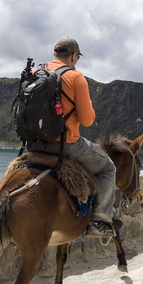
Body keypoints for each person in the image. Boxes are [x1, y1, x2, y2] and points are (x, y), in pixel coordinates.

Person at [29, 37, 116, 238]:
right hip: (65, 144)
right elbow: (87, 120)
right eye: (77, 57)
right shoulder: (75, 77)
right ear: (74, 56)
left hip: (34, 144)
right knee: (107, 167)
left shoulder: (34, 72)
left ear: (55, 54)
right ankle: (99, 220)